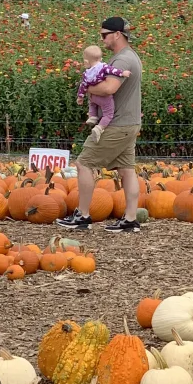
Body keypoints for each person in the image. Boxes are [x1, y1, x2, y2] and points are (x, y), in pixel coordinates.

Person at [60, 16, 143, 234]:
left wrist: (86, 88)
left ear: (117, 35)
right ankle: (130, 219)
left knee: (84, 163)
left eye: (105, 35)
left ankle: (83, 216)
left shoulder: (122, 60)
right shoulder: (130, 56)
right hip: (130, 123)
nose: (102, 39)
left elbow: (108, 89)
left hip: (116, 124)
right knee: (126, 169)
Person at [77, 42, 130, 144]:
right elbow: (113, 70)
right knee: (108, 114)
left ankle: (92, 116)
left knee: (92, 103)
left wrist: (80, 97)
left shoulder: (86, 73)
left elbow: (83, 85)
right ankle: (99, 128)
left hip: (93, 97)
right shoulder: (103, 67)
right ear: (100, 58)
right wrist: (122, 73)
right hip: (103, 98)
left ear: (86, 62)